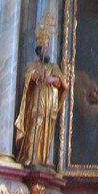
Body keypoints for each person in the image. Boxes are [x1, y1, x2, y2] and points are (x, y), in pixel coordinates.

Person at [15, 33, 68, 168]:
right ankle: (30, 156)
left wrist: (52, 79)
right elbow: (28, 76)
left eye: (47, 47)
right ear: (38, 51)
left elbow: (62, 82)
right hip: (39, 99)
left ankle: (43, 158)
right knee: (35, 126)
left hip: (51, 102)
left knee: (47, 129)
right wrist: (35, 75)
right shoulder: (33, 64)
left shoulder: (53, 66)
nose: (46, 50)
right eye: (43, 47)